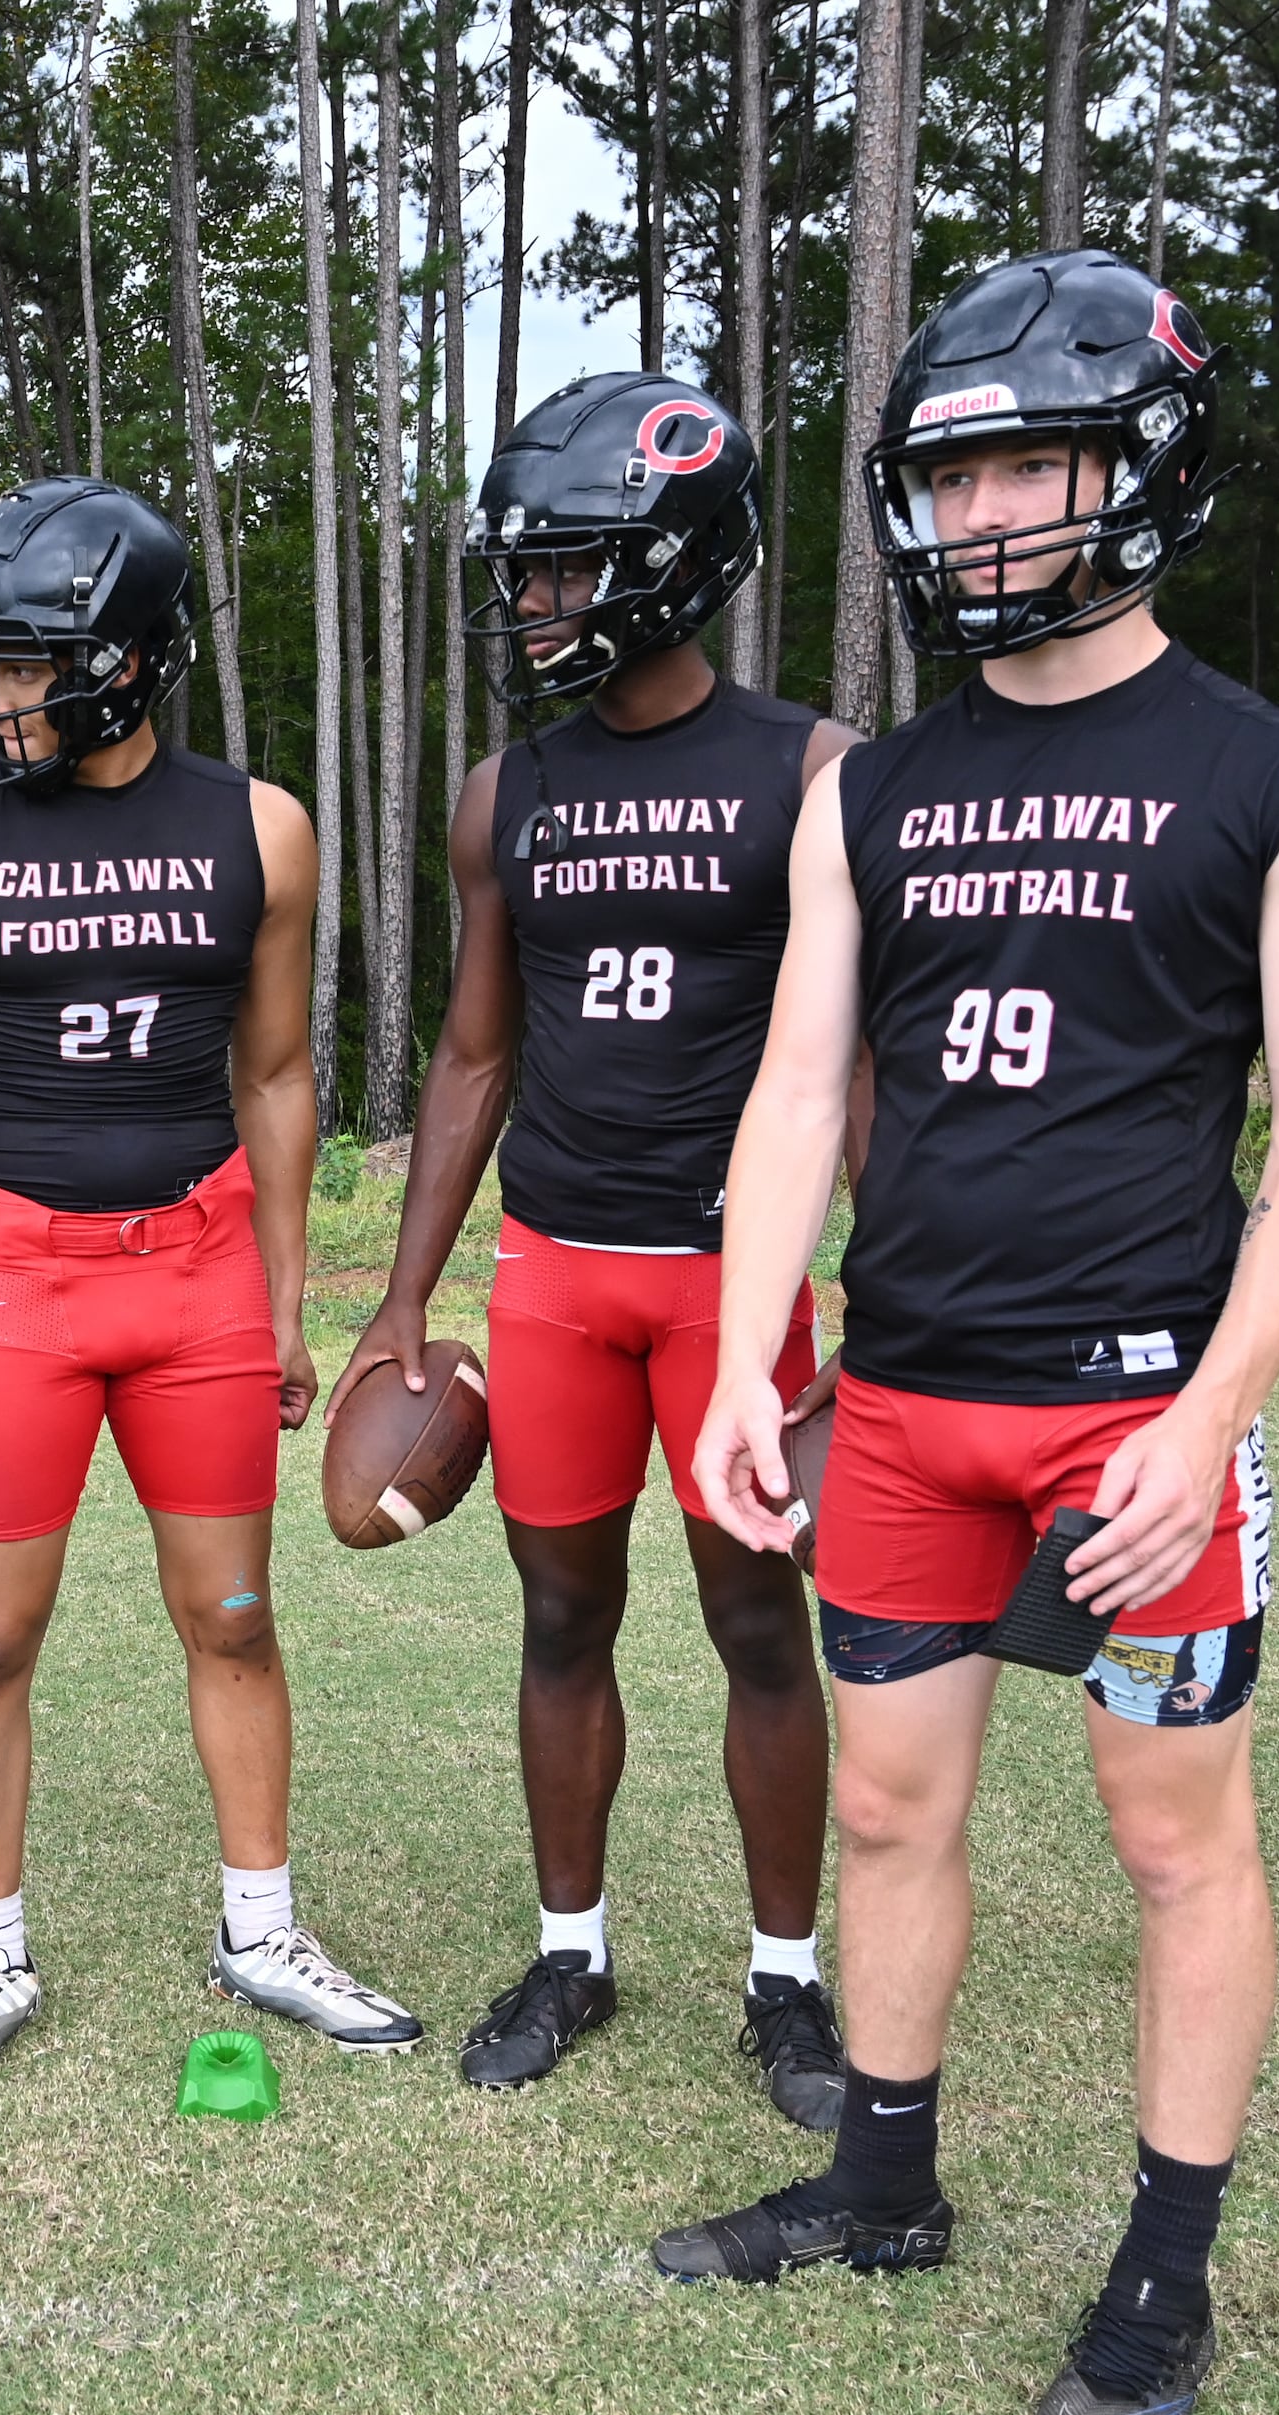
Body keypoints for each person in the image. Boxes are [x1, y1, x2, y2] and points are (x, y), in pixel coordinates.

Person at [653, 251, 1279, 2415]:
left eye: (1021, 470)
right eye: (948, 480)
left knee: (1178, 1837)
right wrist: (738, 1357)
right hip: (903, 1401)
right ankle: (886, 2183)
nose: (978, 524)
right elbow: (796, 1092)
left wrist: (1212, 1419)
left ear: (1137, 462)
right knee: (887, 1803)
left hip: (1138, 1405)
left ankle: (1163, 2275)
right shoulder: (870, 787)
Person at [0, 475, 419, 2101]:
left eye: (30, 666)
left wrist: (286, 1296)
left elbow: (278, 1074)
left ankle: (262, 1927)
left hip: (201, 1269)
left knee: (231, 1614)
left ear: (136, 660)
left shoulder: (259, 824)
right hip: (11, 1272)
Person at [331, 374, 858, 2127]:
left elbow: (851, 1062)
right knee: (562, 1612)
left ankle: (788, 1985)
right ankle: (574, 1950)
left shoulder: (815, 771)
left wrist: (890, 1287)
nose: (536, 603)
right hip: (556, 1272)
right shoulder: (509, 791)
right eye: (529, 572)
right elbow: (477, 1049)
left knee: (753, 1619)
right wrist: (407, 1291)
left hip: (733, 1278)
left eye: (566, 571)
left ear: (673, 562)